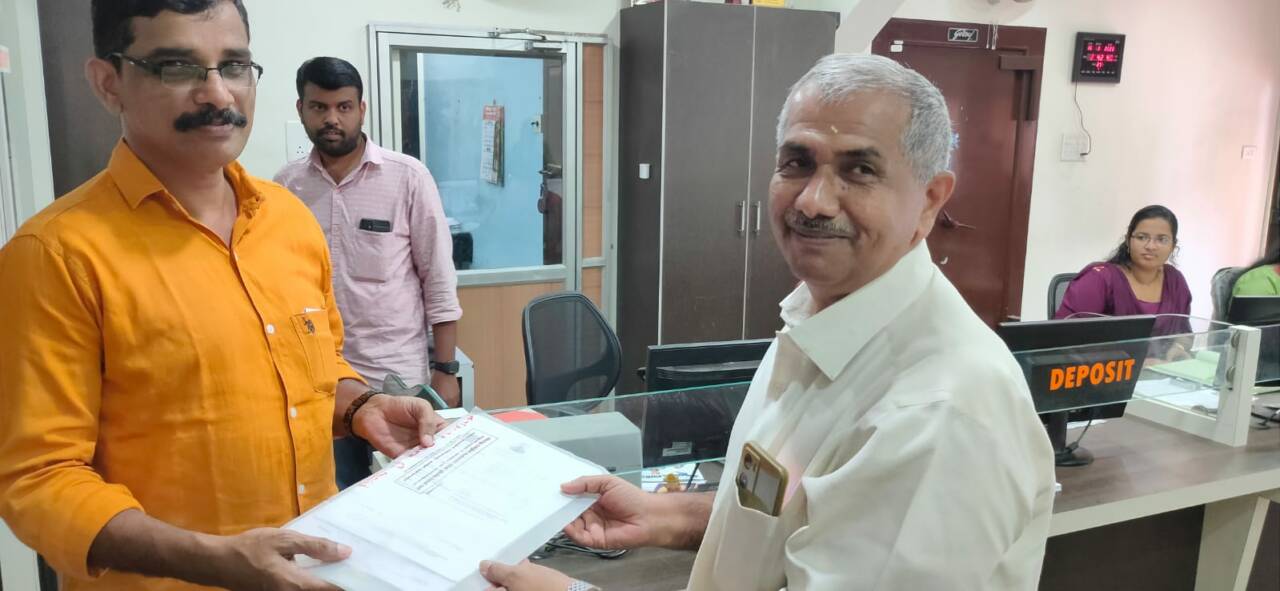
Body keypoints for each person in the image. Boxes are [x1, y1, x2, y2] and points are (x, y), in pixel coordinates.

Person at [481, 53, 1056, 591]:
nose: (813, 202)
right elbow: (791, 509)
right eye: (797, 163)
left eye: (859, 170)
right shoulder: (818, 319)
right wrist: (669, 515)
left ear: (930, 200)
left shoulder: (938, 412)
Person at [0, 2, 444, 589]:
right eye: (177, 66)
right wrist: (211, 559)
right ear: (109, 84)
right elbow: (38, 478)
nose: (217, 94)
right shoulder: (56, 254)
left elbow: (317, 371)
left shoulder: (289, 219)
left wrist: (362, 407)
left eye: (233, 65)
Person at [274, 57, 463, 488]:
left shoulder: (407, 177)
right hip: (323, 383)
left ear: (361, 109)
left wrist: (446, 369)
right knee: (337, 495)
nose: (332, 119)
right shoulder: (285, 188)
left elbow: (438, 278)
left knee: (408, 493)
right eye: (319, 107)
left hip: (397, 377)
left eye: (343, 107)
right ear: (301, 109)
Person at [1055, 205, 1193, 343]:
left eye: (1162, 239)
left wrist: (1179, 348)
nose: (1151, 246)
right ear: (1128, 240)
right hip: (1105, 357)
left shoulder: (1175, 280)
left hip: (1163, 358)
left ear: (1173, 246)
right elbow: (1064, 339)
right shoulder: (1099, 279)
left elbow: (1184, 333)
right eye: (1142, 237)